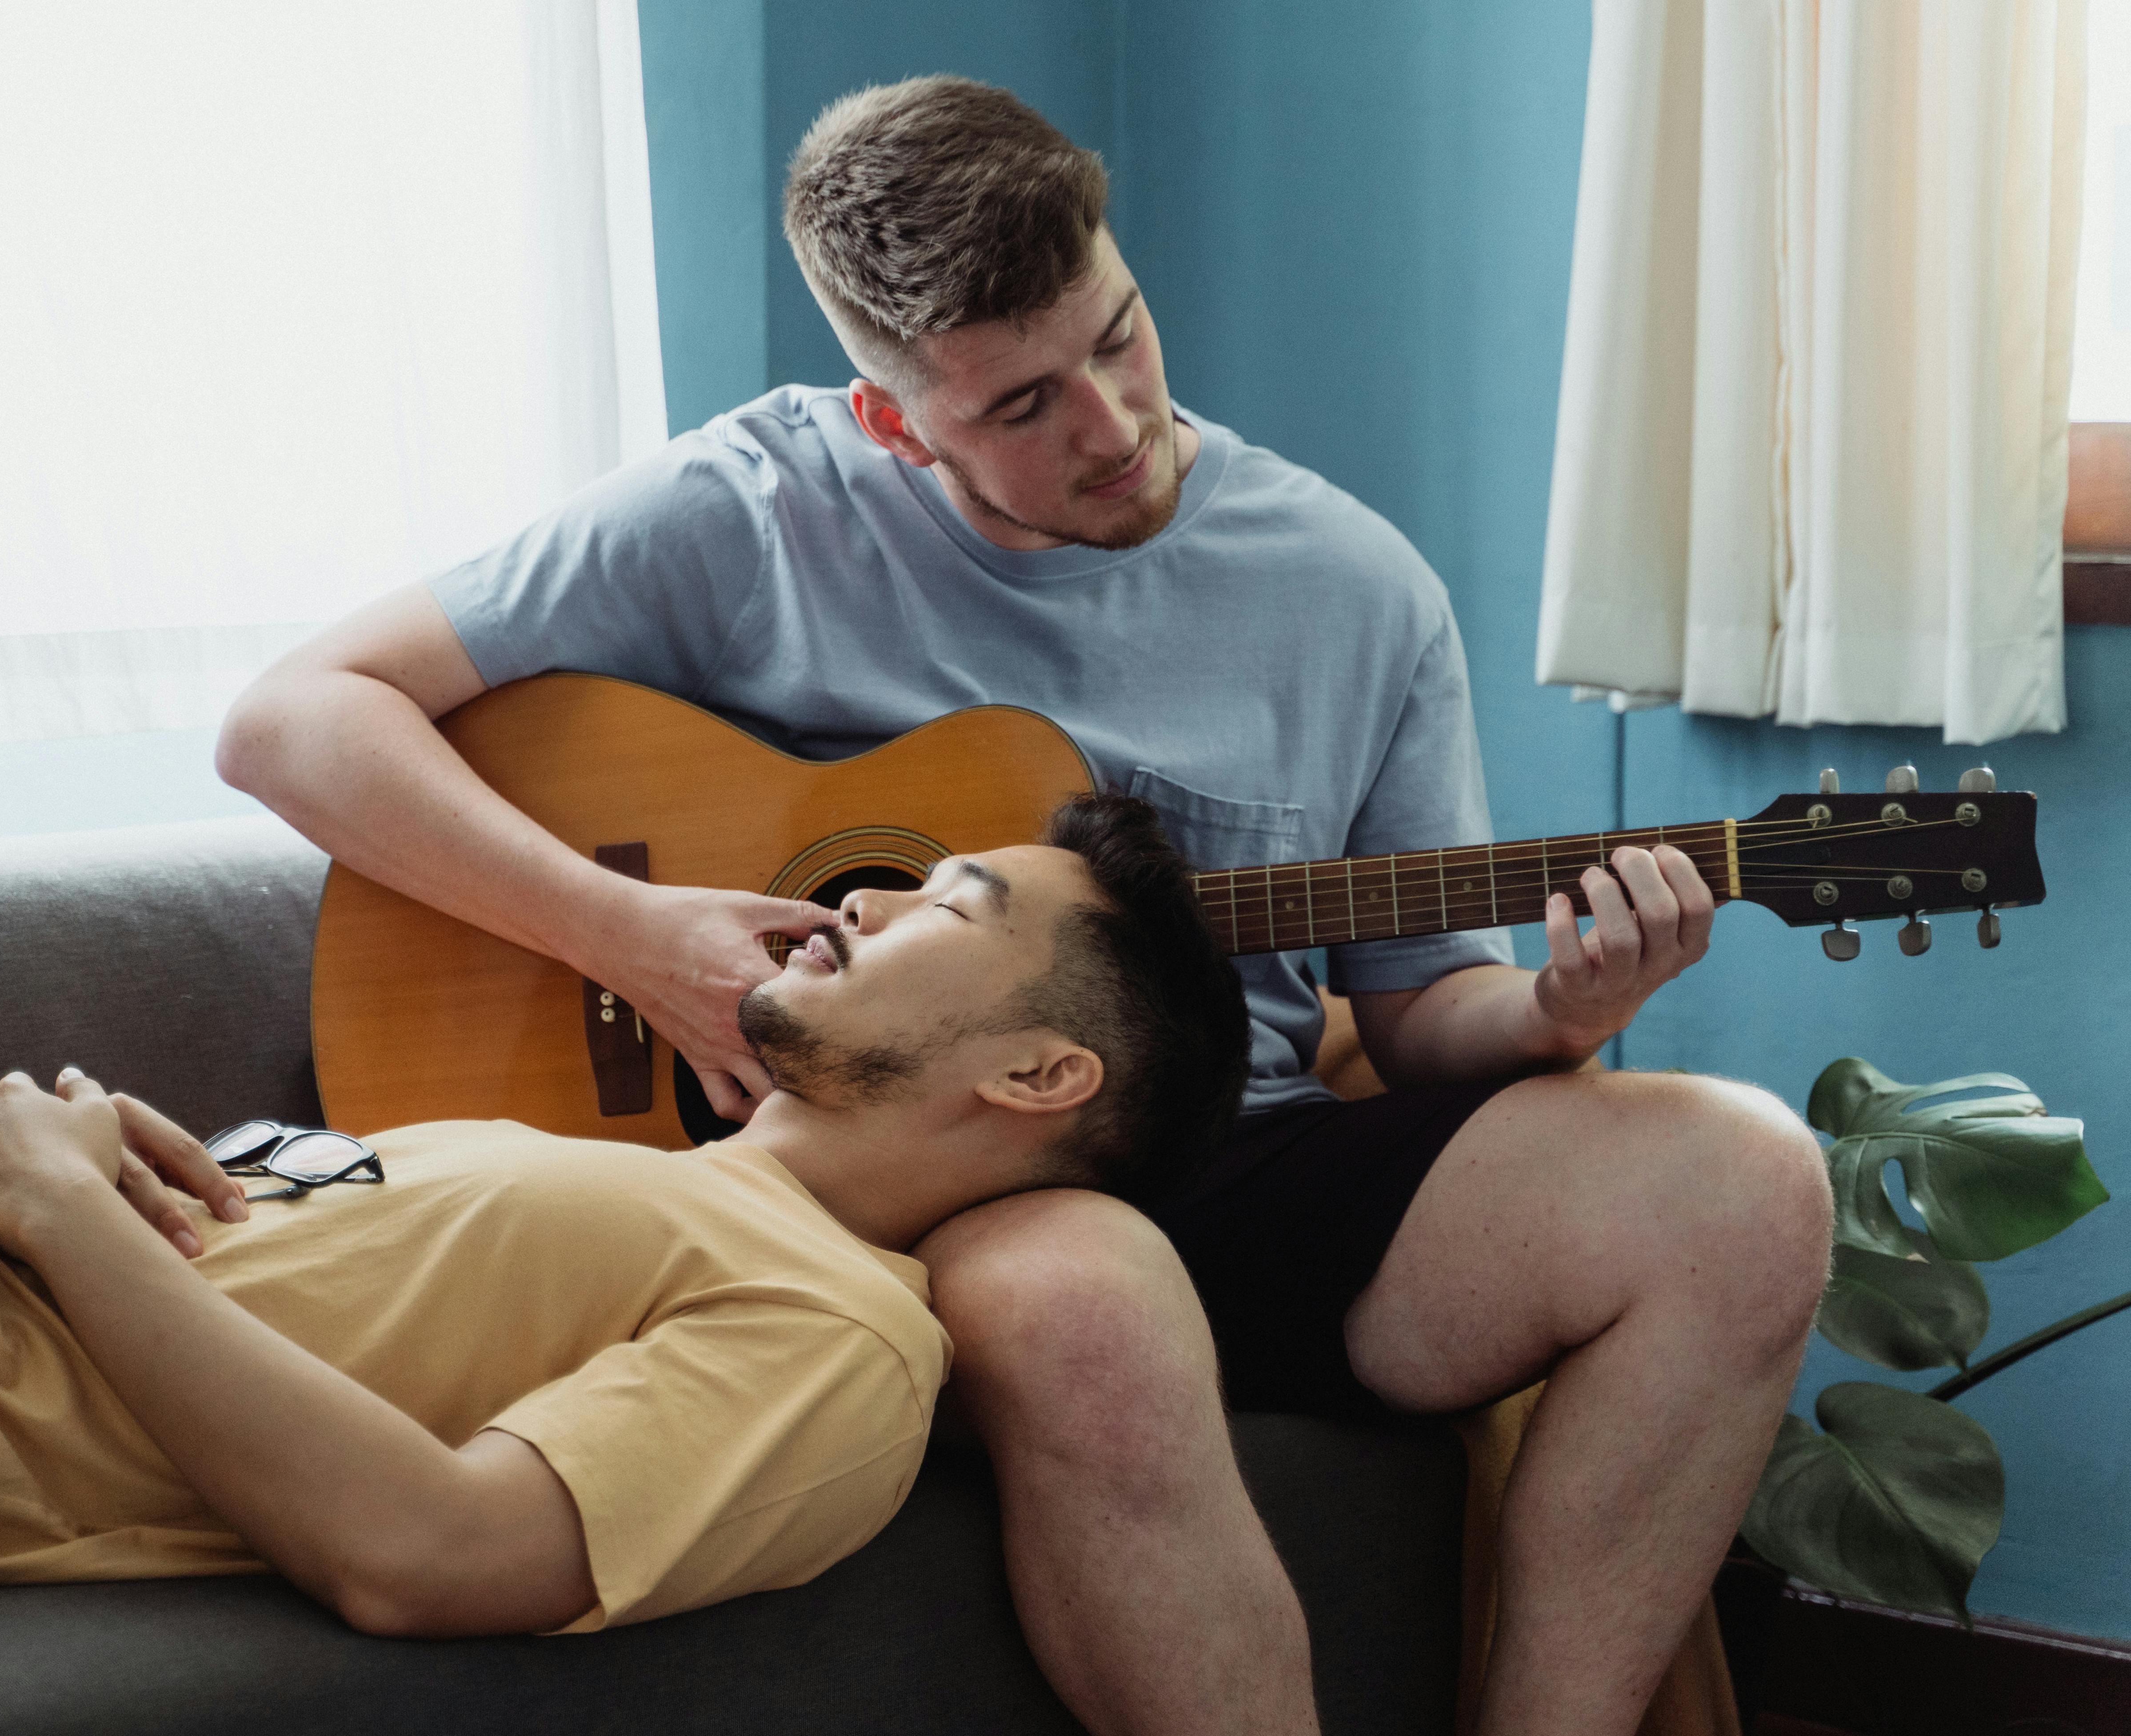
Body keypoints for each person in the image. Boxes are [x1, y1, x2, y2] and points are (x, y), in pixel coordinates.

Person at [218, 76, 1836, 1735]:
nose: (1111, 424)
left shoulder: (1355, 591)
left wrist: (1563, 1011)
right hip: (920, 1180)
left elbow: (1425, 1018)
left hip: (1237, 1148)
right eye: (1018, 406)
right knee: (1077, 1296)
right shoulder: (747, 515)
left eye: (1118, 337)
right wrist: (630, 938)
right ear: (891, 420)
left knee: (1747, 1185)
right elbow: (292, 721)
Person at [0, 612, 1253, 1635]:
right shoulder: (660, 1181)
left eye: (948, 902)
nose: (868, 903)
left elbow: (425, 1552)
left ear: (1037, 1076)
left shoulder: (841, 1341)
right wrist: (86, 1152)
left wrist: (61, 1213)